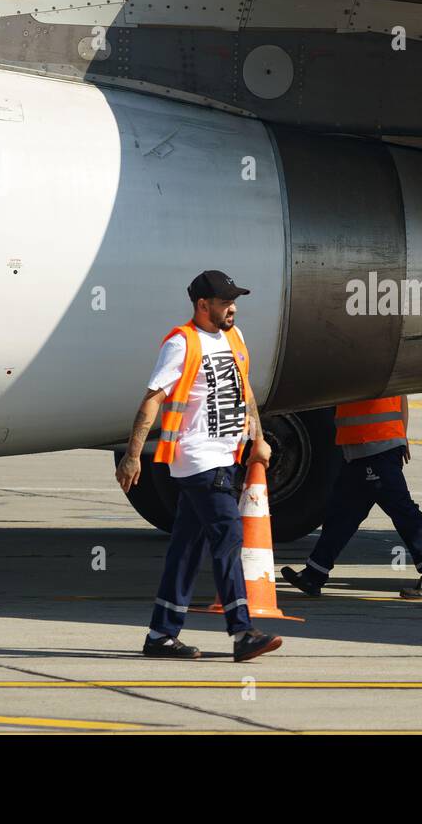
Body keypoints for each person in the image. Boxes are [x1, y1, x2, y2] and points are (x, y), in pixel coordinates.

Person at [116, 270, 282, 663]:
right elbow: (152, 399)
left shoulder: (233, 338)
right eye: (225, 302)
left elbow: (245, 389)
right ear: (202, 305)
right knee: (228, 536)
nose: (232, 308)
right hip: (198, 459)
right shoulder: (181, 343)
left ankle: (161, 634)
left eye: (234, 301)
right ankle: (243, 631)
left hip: (227, 456)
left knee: (186, 548)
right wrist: (132, 454)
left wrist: (257, 438)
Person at [281, 395, 422, 600]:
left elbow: (401, 393)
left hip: (378, 446)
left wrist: (399, 437)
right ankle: (314, 574)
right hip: (357, 449)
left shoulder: (370, 363)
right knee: (342, 516)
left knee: (402, 511)